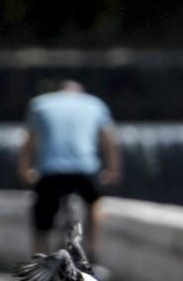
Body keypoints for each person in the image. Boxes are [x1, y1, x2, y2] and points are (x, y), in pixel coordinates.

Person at [18, 80, 121, 258]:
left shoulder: (40, 104)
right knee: (95, 203)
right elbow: (108, 141)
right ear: (80, 92)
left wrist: (25, 170)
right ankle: (94, 252)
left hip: (51, 171)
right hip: (85, 170)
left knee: (42, 218)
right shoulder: (95, 104)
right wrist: (113, 170)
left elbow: (29, 142)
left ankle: (38, 260)